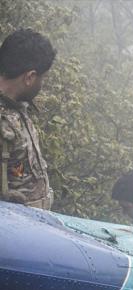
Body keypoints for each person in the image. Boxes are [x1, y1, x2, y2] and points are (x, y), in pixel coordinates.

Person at [0, 29, 56, 209]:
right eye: (43, 77)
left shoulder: (18, 107)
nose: (43, 83)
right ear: (30, 77)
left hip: (34, 227)